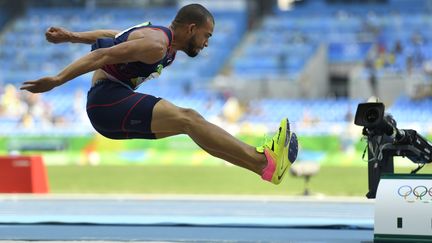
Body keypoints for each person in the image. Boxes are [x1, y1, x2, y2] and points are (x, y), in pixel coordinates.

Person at [20, 4, 298, 185]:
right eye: (206, 36)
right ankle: (263, 160)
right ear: (191, 28)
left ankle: (264, 168)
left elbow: (114, 34)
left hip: (112, 103)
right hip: (107, 102)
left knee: (189, 125)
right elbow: (103, 54)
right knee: (188, 118)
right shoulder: (156, 44)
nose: (206, 43)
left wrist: (72, 36)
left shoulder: (161, 44)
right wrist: (56, 80)